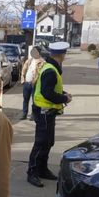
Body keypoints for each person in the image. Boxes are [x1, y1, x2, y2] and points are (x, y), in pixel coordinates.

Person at [27, 42, 72, 188]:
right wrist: (64, 98)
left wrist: (63, 94)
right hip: (44, 111)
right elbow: (47, 93)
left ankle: (42, 169)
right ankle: (32, 172)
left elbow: (49, 88)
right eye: (65, 54)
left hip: (47, 111)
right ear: (62, 55)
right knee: (41, 143)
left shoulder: (50, 67)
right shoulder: (51, 70)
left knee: (48, 142)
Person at [20, 46, 45, 120]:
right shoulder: (29, 60)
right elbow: (24, 70)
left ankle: (33, 115)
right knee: (25, 99)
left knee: (35, 100)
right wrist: (23, 79)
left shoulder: (42, 62)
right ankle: (24, 114)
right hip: (27, 83)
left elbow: (41, 73)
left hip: (35, 84)